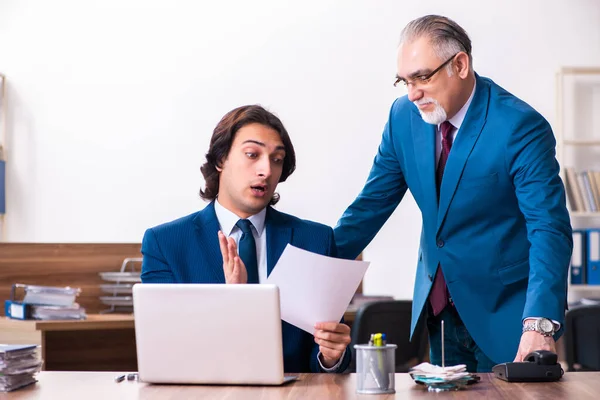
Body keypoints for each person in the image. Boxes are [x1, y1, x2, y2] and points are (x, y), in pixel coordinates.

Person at [333, 15, 572, 372]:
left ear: (459, 64)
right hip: (439, 313)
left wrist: (539, 323)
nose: (412, 93)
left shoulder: (519, 126)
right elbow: (369, 207)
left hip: (507, 315)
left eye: (422, 78)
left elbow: (548, 227)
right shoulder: (403, 117)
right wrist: (308, 275)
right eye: (404, 81)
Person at [141, 104, 351, 373]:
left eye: (277, 159)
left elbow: (321, 354)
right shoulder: (166, 243)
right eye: (252, 155)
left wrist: (330, 356)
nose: (266, 169)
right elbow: (165, 352)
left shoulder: (315, 240)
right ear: (220, 160)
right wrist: (234, 303)